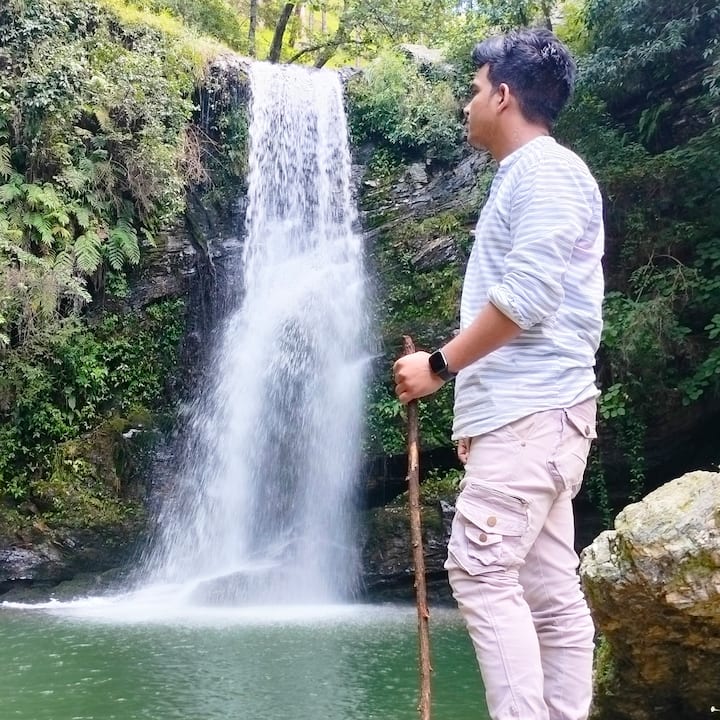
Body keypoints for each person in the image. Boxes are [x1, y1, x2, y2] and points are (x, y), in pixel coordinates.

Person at [393, 27, 604, 720]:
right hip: (532, 416)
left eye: (475, 88)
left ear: (504, 95)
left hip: (533, 413)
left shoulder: (545, 172)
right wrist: (477, 417)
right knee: (549, 595)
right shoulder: (528, 176)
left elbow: (527, 298)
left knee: (480, 570)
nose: (467, 102)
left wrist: (437, 367)